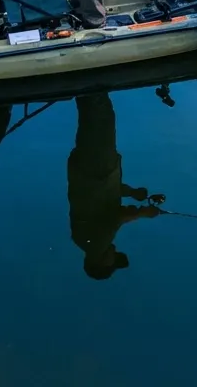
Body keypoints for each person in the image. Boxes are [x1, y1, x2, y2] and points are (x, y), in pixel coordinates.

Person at [66, 92, 162, 280]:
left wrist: (144, 213)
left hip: (95, 167)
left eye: (112, 262)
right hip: (94, 169)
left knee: (100, 120)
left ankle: (92, 83)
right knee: (94, 120)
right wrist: (133, 193)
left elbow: (115, 218)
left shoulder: (94, 245)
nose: (115, 253)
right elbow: (107, 196)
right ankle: (88, 87)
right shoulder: (88, 240)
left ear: (100, 264)